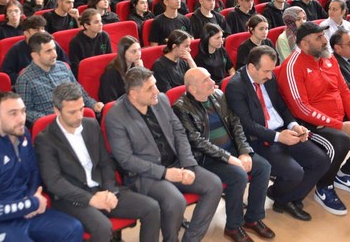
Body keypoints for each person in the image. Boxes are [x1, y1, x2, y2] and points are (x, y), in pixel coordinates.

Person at [278, 22, 350, 216]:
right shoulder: (293, 66)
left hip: (337, 118)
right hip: (309, 124)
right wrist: (341, 126)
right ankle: (324, 187)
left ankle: (345, 174)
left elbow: (344, 91)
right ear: (304, 44)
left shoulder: (328, 58)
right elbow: (301, 109)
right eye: (319, 38)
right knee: (341, 139)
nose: (324, 41)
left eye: (323, 35)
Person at [104, 67, 222, 242]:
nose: (156, 91)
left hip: (175, 163)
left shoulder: (161, 100)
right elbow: (126, 160)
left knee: (214, 185)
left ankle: (191, 239)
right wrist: (165, 173)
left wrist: (188, 164)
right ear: (134, 94)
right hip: (145, 175)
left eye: (155, 85)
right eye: (150, 88)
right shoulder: (115, 116)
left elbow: (179, 132)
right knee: (176, 201)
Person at [35, 83, 161, 242]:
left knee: (152, 208)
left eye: (81, 109)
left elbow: (105, 163)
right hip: (72, 198)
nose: (79, 116)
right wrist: (91, 199)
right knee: (102, 227)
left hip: (102, 189)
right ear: (57, 110)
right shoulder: (45, 139)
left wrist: (109, 191)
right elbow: (55, 182)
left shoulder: (91, 125)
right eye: (72, 112)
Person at [225, 45, 330, 221]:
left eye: (271, 71)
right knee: (295, 173)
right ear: (251, 67)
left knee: (320, 160)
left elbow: (281, 106)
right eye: (266, 71)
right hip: (259, 139)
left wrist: (294, 125)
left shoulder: (269, 76)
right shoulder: (235, 86)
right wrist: (278, 137)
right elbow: (247, 125)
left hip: (282, 130)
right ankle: (283, 196)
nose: (270, 76)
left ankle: (284, 199)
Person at [0, 91, 83, 242]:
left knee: (73, 229)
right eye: (13, 113)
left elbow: (33, 172)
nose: (21, 119)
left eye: (23, 111)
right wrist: (31, 204)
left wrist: (30, 198)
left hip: (25, 211)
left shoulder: (23, 135)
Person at [174, 68, 274, 242]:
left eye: (210, 77)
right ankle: (233, 227)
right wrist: (228, 158)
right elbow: (197, 142)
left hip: (231, 149)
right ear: (193, 89)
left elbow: (236, 124)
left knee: (263, 167)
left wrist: (244, 151)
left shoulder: (218, 95)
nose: (213, 82)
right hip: (206, 158)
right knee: (239, 176)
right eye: (206, 80)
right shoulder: (181, 107)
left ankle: (252, 218)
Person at [16, 32, 102, 125]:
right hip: (50, 125)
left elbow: (79, 92)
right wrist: (49, 120)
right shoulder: (25, 80)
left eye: (54, 49)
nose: (55, 55)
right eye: (48, 51)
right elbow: (26, 111)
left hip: (75, 116)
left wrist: (94, 104)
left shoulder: (63, 67)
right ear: (35, 56)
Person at [0, 16, 67, 83]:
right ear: (26, 33)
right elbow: (7, 73)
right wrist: (27, 78)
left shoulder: (51, 45)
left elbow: (65, 63)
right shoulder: (15, 50)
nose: (41, 32)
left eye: (42, 28)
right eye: (36, 30)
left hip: (55, 79)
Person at [68, 9, 112, 79]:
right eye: (96, 22)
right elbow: (76, 68)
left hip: (104, 72)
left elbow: (109, 59)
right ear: (86, 25)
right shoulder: (75, 42)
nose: (101, 24)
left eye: (100, 21)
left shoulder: (104, 36)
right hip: (87, 75)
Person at [99, 36, 143, 103]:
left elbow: (146, 90)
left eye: (139, 50)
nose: (138, 54)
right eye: (134, 51)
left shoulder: (137, 65)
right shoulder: (111, 74)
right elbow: (111, 101)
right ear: (123, 53)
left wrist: (142, 71)